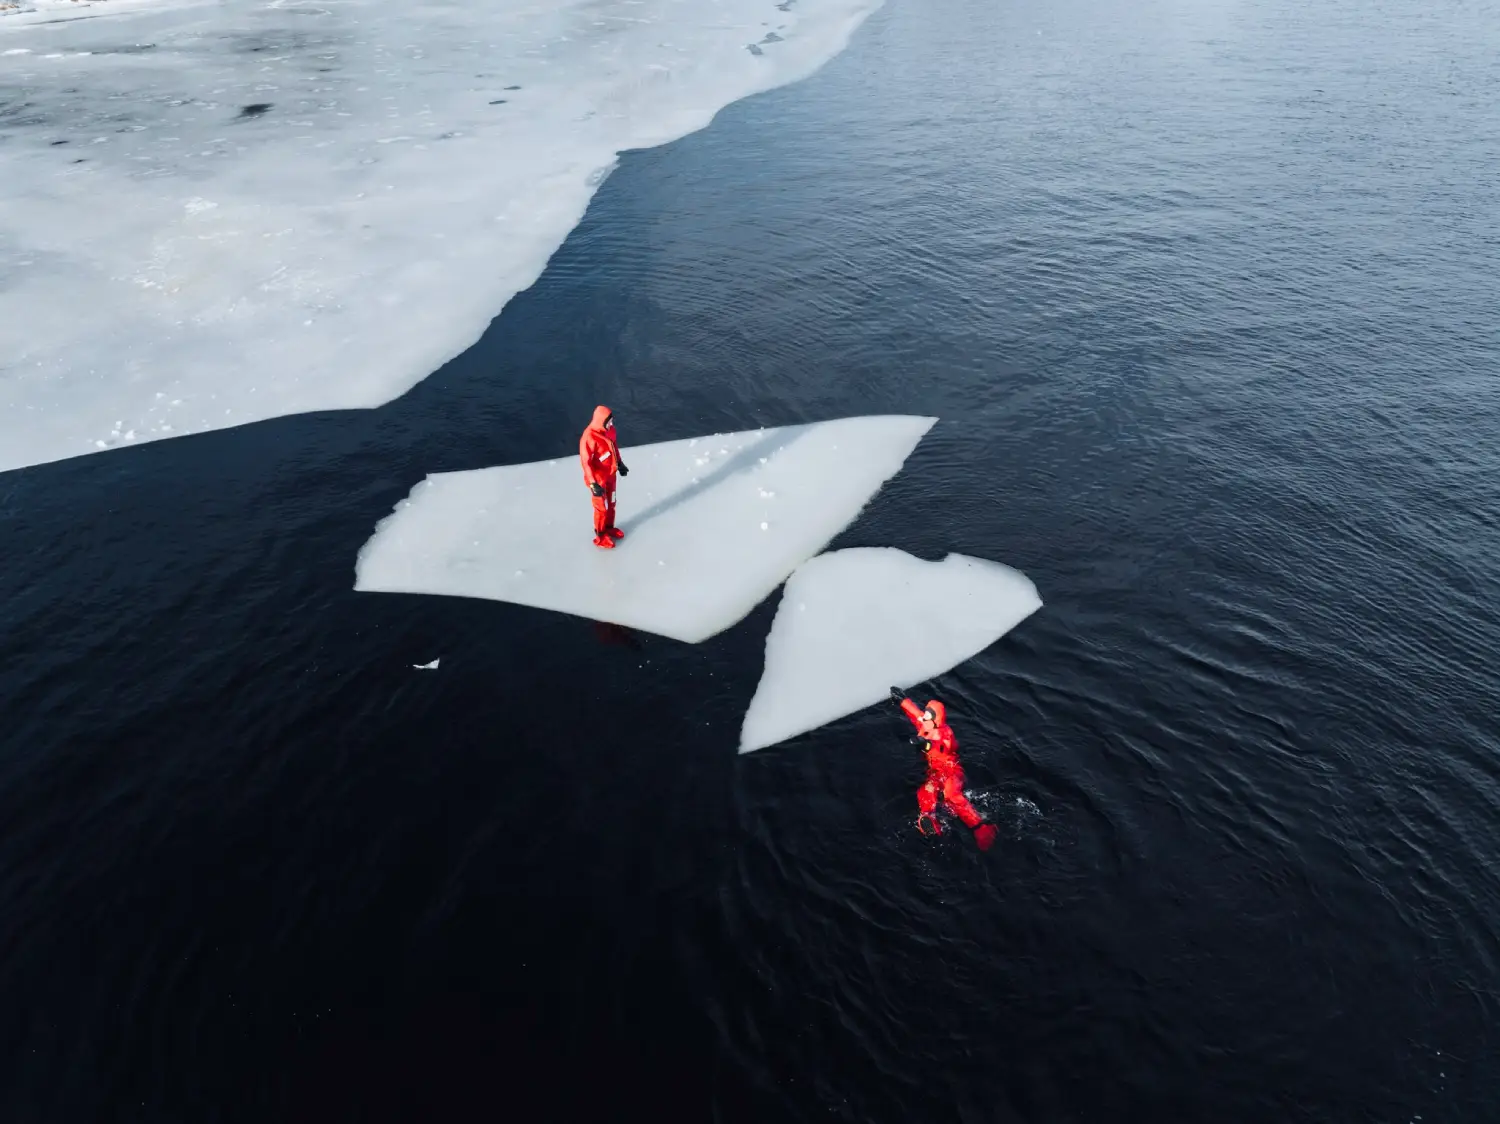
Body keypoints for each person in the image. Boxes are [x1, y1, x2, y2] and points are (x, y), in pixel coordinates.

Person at [890, 687, 998, 850]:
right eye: (926, 713)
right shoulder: (926, 723)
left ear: (936, 718)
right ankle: (930, 820)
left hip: (952, 771)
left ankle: (982, 827)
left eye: (928, 714)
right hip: (935, 772)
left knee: (951, 794)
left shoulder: (945, 733)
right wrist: (902, 700)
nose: (924, 715)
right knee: (925, 791)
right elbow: (915, 714)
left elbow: (941, 745)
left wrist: (925, 744)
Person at [579, 405, 630, 549]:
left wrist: (620, 463)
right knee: (601, 508)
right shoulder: (588, 438)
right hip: (598, 480)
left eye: (612, 421)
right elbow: (586, 462)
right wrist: (592, 483)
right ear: (601, 421)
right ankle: (600, 535)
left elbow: (614, 447)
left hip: (611, 475)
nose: (611, 424)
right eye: (609, 422)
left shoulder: (610, 432)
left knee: (612, 503)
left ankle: (609, 527)